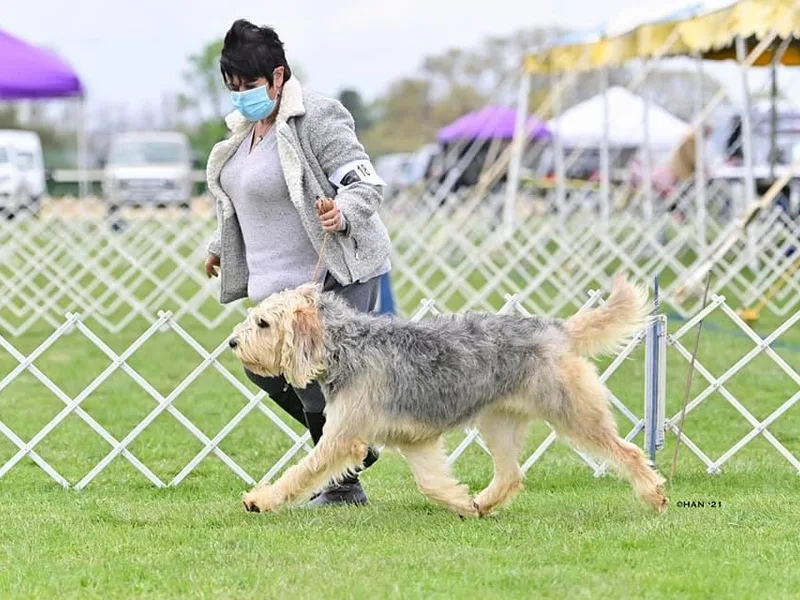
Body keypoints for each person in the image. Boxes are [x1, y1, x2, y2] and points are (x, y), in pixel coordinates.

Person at [203, 19, 392, 506]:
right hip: (276, 284)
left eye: (249, 85)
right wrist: (220, 246)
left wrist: (341, 210)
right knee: (261, 365)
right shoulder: (245, 132)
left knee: (314, 381)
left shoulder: (318, 117)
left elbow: (364, 185)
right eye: (233, 87)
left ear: (279, 76)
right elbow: (247, 200)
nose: (241, 95)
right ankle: (357, 446)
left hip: (332, 270)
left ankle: (342, 483)